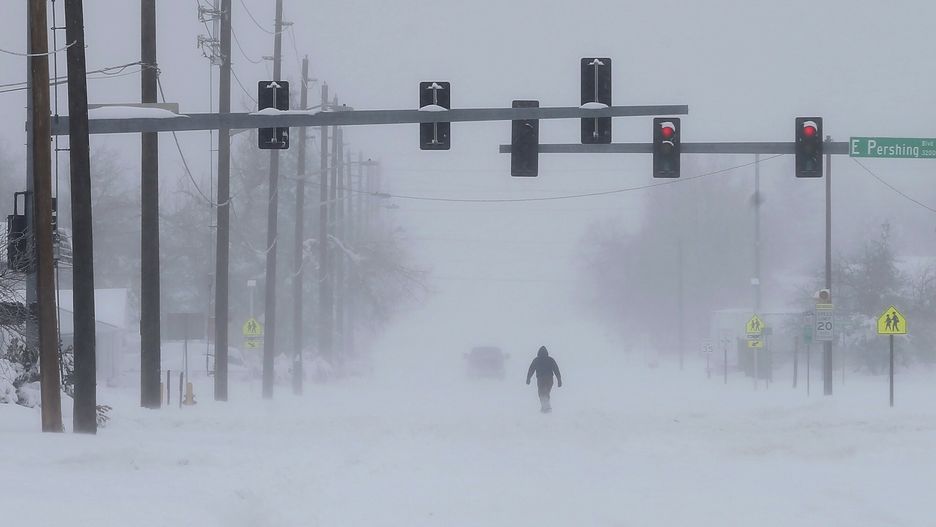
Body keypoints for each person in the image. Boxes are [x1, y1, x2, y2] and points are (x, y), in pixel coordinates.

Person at [526, 346, 562, 412]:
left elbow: (531, 370)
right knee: (546, 392)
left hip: (541, 379)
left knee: (541, 392)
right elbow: (556, 370)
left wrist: (528, 379)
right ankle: (546, 406)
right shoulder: (550, 360)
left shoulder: (536, 360)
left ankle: (545, 407)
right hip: (549, 379)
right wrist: (559, 380)